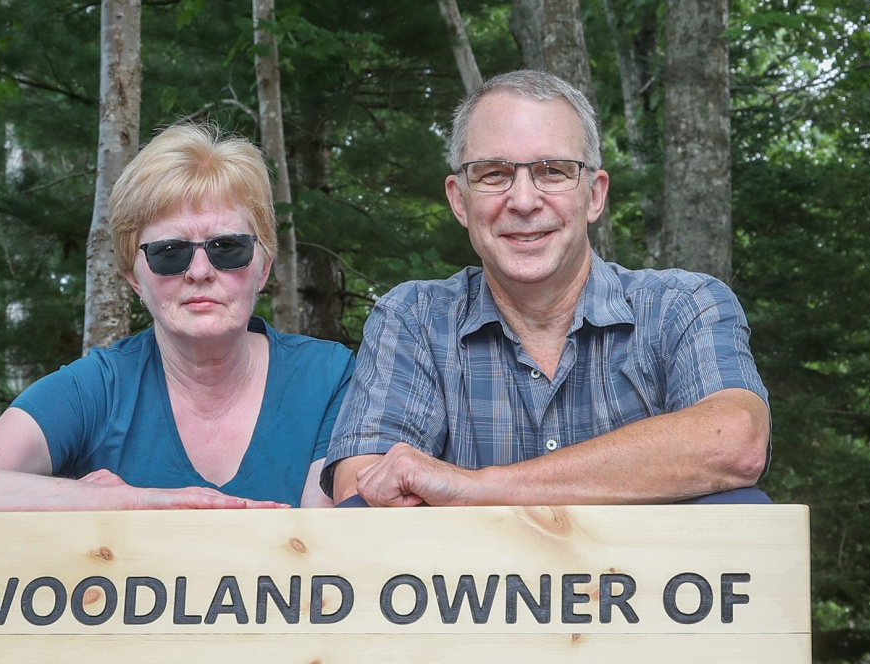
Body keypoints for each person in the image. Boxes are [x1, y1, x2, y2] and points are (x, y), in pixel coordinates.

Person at [325, 70, 770, 507]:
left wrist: (478, 488)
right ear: (459, 199)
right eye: (493, 174)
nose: (522, 200)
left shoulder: (681, 306)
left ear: (594, 195)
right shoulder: (414, 318)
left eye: (553, 171)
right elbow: (365, 489)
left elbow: (735, 440)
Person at [0, 122, 352, 515]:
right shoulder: (97, 389)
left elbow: (325, 537)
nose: (199, 272)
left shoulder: (329, 378)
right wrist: (127, 502)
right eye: (169, 253)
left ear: (264, 265)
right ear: (134, 278)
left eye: (227, 247)